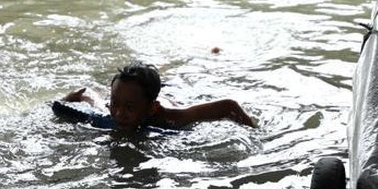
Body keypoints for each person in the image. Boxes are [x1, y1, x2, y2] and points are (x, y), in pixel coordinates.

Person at [62, 61, 255, 131]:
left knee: (170, 80)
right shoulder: (109, 109)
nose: (119, 113)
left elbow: (228, 106)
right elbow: (85, 92)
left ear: (151, 108)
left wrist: (254, 132)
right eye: (115, 103)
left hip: (173, 94)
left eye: (129, 107)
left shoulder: (171, 116)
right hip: (145, 93)